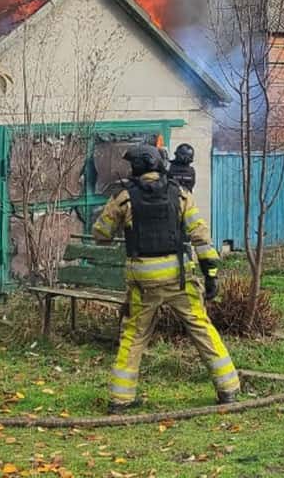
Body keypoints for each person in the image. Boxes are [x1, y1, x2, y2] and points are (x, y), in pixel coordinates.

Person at [92, 144, 239, 413]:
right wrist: (211, 276)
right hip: (178, 279)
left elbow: (101, 233)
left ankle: (120, 399)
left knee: (134, 336)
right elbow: (201, 237)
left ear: (135, 167)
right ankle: (228, 389)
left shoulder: (124, 198)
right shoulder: (180, 195)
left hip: (143, 282)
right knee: (201, 328)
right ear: (159, 164)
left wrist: (120, 219)